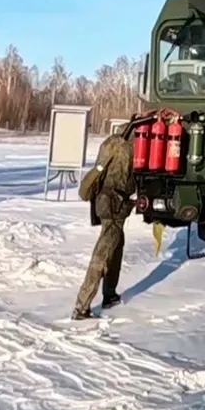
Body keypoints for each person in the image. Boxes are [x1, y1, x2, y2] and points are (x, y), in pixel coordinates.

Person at [73, 134, 134, 320]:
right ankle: (82, 306)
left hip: (105, 202)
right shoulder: (129, 147)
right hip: (115, 206)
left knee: (116, 246)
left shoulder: (112, 143)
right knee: (104, 253)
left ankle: (109, 294)